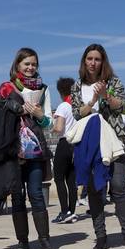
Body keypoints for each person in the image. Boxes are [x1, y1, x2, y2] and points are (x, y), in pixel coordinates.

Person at [0, 48, 57, 249]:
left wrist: (39, 114)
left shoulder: (43, 89)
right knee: (16, 196)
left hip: (33, 149)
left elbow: (48, 122)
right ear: (17, 66)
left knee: (36, 195)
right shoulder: (7, 88)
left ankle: (45, 240)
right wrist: (16, 108)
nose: (31, 68)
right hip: (11, 149)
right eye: (27, 64)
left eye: (34, 64)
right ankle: (23, 242)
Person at [69, 43, 125, 249]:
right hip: (90, 144)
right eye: (89, 59)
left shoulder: (113, 81)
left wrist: (106, 95)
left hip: (115, 140)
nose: (93, 63)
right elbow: (76, 113)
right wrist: (92, 101)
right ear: (84, 61)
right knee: (95, 191)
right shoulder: (76, 86)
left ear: (103, 62)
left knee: (119, 188)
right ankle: (101, 236)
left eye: (97, 59)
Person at [50, 76, 78, 222]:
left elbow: (59, 127)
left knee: (59, 178)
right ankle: (72, 212)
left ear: (60, 91)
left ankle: (64, 211)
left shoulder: (63, 106)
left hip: (64, 143)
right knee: (71, 181)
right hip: (76, 145)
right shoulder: (77, 106)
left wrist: (53, 127)